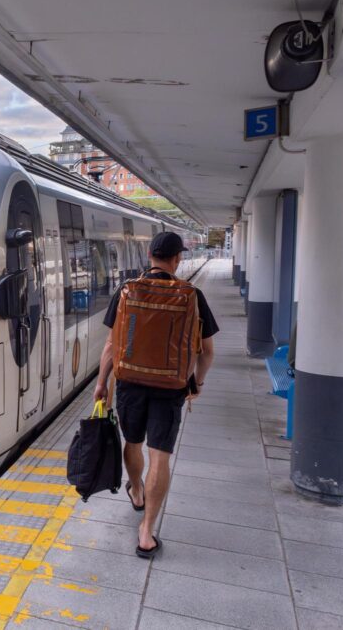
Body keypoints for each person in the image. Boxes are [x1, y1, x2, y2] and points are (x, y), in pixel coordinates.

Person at [93, 232, 219, 558]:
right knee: (159, 456)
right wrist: (197, 383)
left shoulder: (126, 291)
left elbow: (111, 345)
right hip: (171, 387)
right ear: (177, 260)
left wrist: (102, 384)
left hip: (130, 385)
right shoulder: (192, 295)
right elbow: (207, 351)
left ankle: (136, 491)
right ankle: (146, 532)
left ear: (149, 255)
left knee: (132, 443)